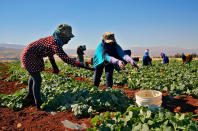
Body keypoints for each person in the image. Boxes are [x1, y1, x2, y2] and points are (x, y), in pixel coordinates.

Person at [21, 24, 93, 109]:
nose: (70, 39)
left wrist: (55, 67)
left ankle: (30, 96)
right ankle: (38, 102)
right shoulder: (55, 43)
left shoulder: (54, 40)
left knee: (33, 75)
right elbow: (66, 59)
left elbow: (50, 54)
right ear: (62, 36)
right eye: (68, 37)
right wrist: (84, 65)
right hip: (30, 56)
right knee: (37, 79)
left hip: (33, 55)